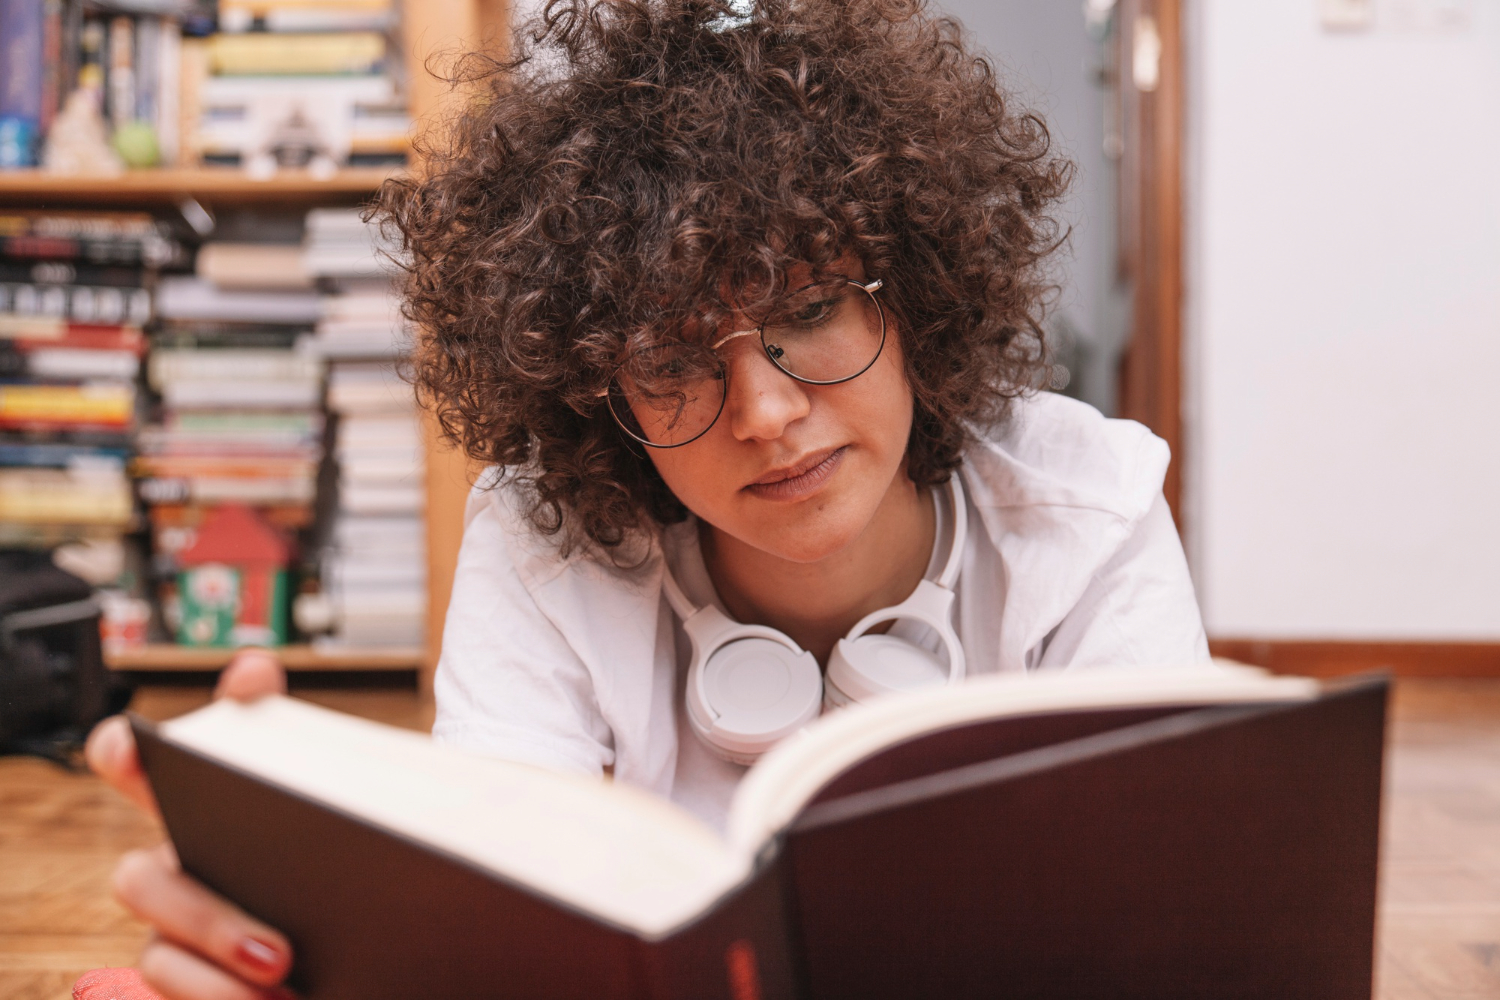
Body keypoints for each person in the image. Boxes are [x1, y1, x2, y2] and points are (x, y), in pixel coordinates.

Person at [86, 1, 1209, 996]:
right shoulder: (544, 543)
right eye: (671, 360)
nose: (763, 411)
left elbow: (1179, 924)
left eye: (810, 306)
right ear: (594, 387)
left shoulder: (1090, 511)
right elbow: (498, 929)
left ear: (911, 300)